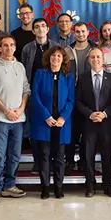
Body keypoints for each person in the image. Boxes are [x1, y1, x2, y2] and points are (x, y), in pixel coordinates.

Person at [0, 34, 30, 203]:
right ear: (0, 47)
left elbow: (26, 89)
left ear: (15, 48)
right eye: (5, 45)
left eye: (11, 45)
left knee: (15, 155)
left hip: (18, 118)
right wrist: (6, 111)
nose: (8, 48)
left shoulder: (20, 66)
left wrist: (21, 108)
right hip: (0, 119)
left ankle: (9, 186)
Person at [75, 48, 111, 197]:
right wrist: (90, 114)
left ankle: (108, 186)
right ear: (88, 60)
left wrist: (105, 114)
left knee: (107, 155)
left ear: (103, 59)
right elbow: (78, 101)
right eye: (92, 57)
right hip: (89, 122)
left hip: (106, 123)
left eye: (98, 57)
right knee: (88, 155)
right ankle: (90, 186)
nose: (96, 60)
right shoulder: (82, 78)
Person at [31, 46, 74, 199]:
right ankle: (45, 187)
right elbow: (35, 96)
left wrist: (63, 118)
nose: (55, 58)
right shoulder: (40, 73)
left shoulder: (68, 76)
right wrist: (46, 116)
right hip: (45, 122)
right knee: (44, 155)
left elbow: (71, 100)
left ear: (63, 59)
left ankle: (58, 187)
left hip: (61, 123)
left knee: (60, 156)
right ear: (48, 58)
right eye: (53, 56)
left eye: (59, 56)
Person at [64, 22, 94, 174]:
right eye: (77, 32)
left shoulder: (95, 50)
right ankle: (69, 161)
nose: (80, 34)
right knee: (72, 131)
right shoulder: (67, 51)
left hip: (90, 97)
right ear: (73, 33)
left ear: (88, 33)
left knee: (87, 131)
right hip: (71, 95)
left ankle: (84, 161)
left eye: (83, 31)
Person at [22, 18, 58, 84]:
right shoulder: (27, 48)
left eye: (43, 26)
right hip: (33, 85)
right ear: (33, 31)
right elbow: (23, 68)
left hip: (52, 84)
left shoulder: (56, 47)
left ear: (47, 29)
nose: (40, 29)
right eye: (37, 27)